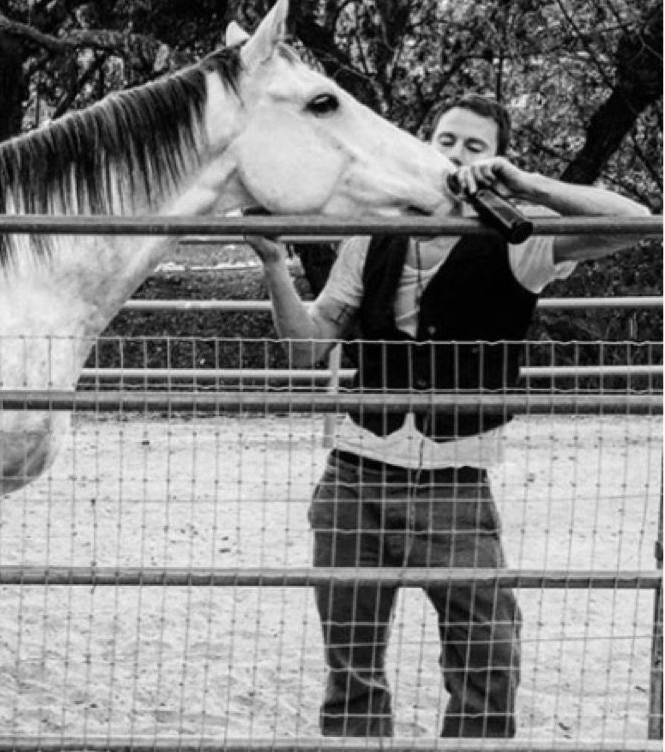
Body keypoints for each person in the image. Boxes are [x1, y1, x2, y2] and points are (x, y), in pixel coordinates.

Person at [246, 93, 650, 738]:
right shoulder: (372, 238)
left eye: (475, 147)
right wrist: (274, 264)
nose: (455, 155)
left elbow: (634, 220)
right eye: (445, 140)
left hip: (455, 486)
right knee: (351, 670)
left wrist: (526, 184)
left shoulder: (520, 241)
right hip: (356, 480)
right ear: (422, 144)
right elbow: (307, 347)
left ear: (494, 161)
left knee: (489, 655)